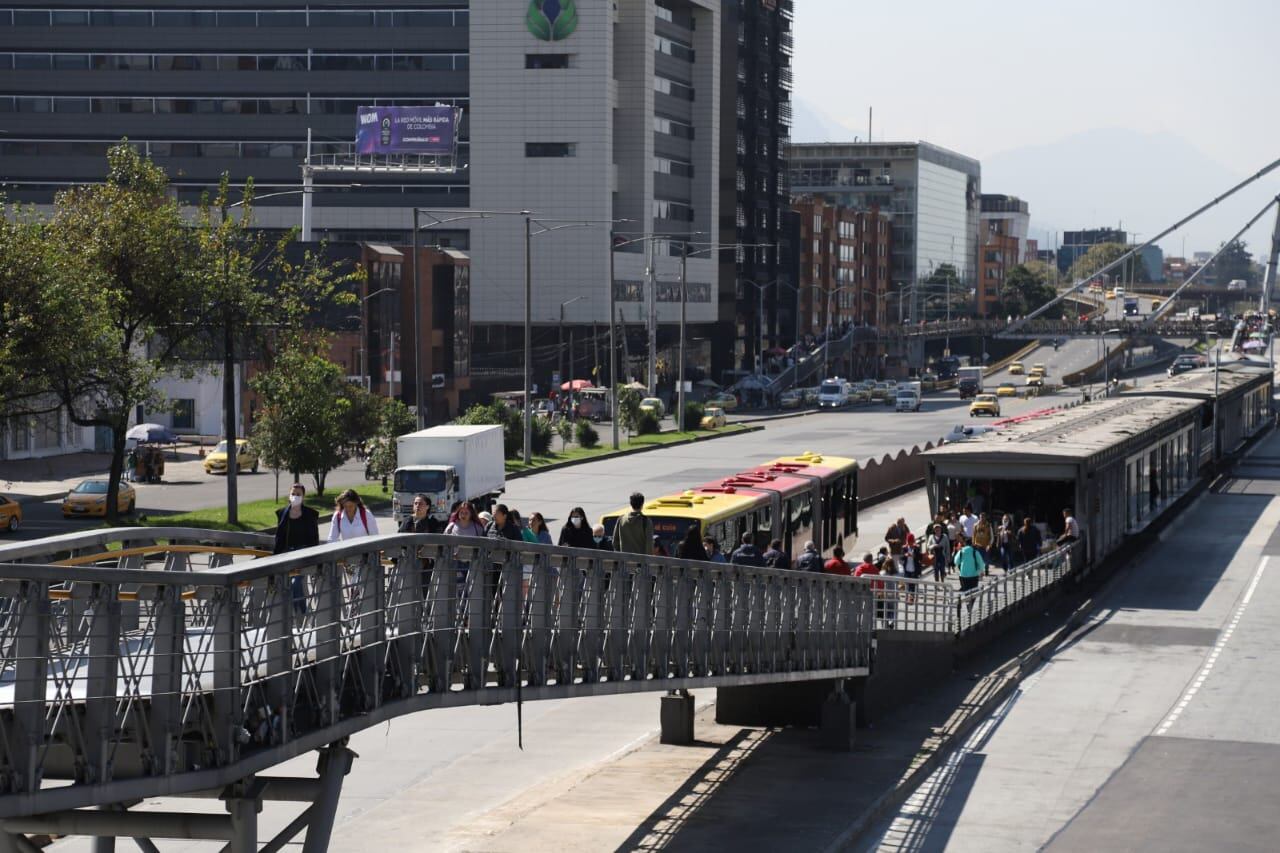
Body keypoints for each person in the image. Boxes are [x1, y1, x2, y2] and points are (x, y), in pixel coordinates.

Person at [274, 483, 319, 614]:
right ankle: (297, 613)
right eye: (293, 494)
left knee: (295, 582)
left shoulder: (310, 514)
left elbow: (314, 538)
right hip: (287, 554)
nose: (295, 496)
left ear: (303, 497)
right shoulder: (283, 513)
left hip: (304, 554)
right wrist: (275, 557)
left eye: (298, 494)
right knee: (285, 584)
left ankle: (301, 611)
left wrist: (315, 556)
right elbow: (279, 537)